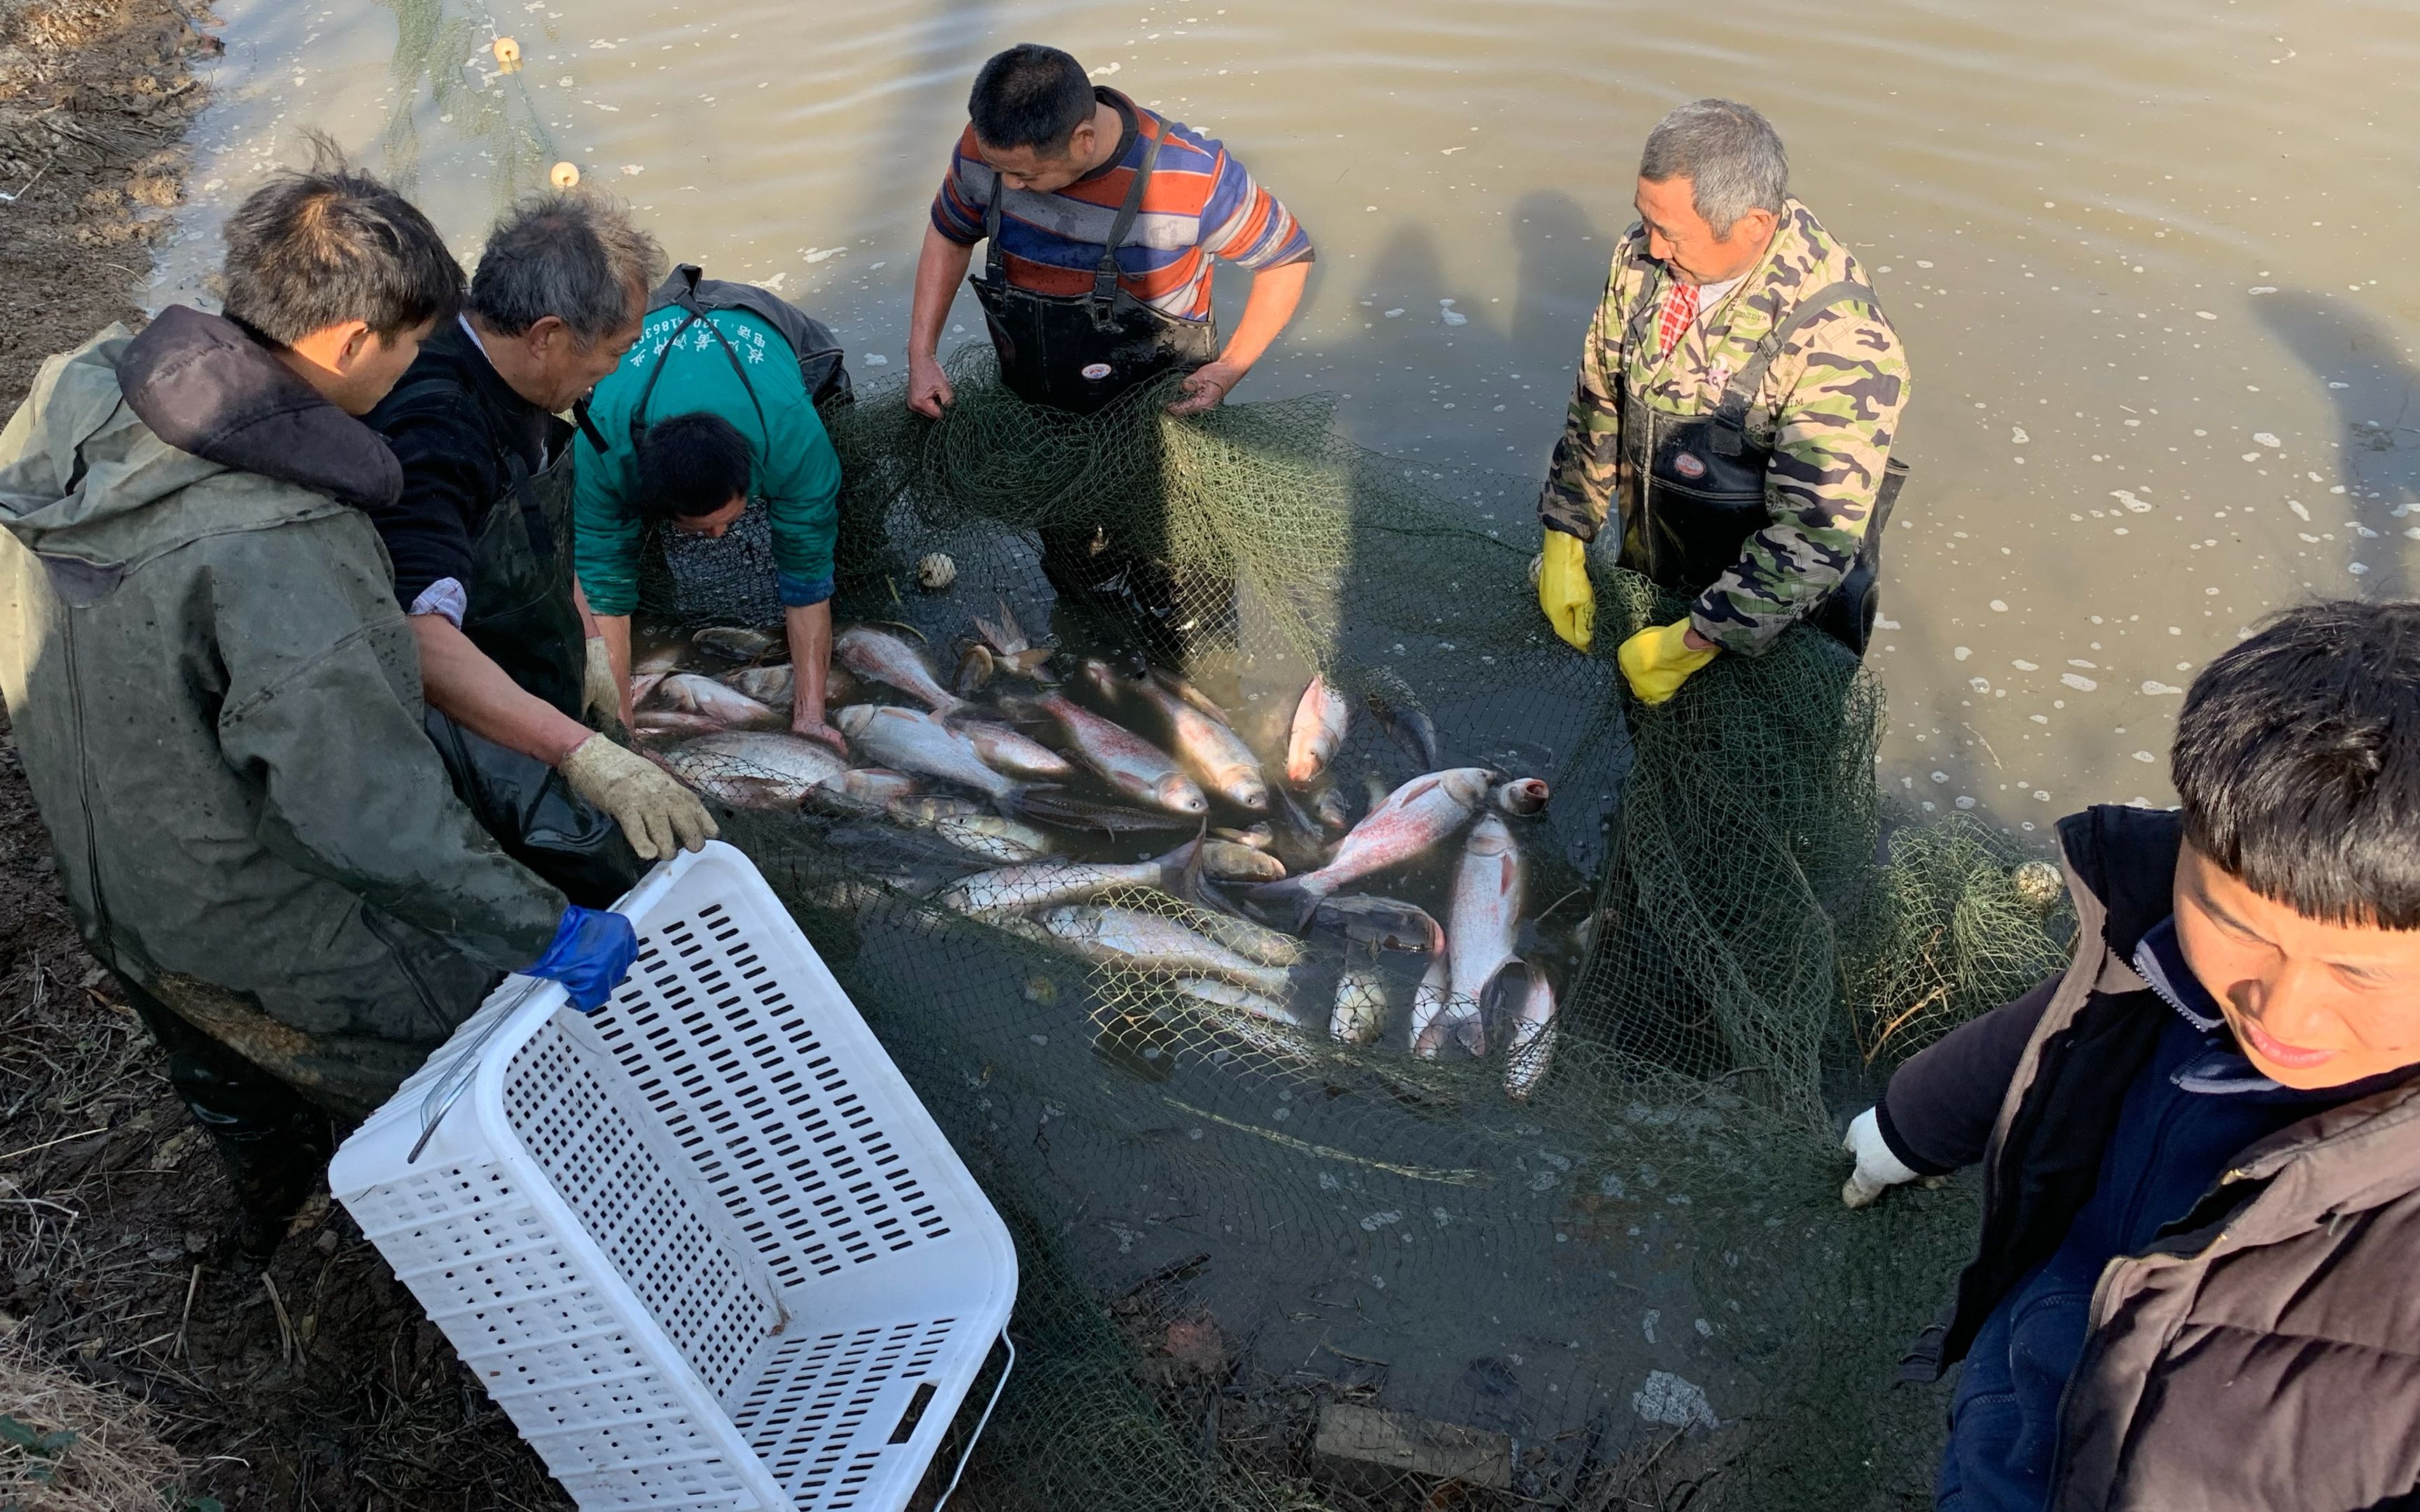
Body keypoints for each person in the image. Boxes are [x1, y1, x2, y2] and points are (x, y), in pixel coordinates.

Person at [0, 161, 639, 1256]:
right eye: (406, 344)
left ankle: (264, 1222)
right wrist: (549, 931)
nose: (413, 368)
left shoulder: (81, 389)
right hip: (236, 903)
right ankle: (477, 1249)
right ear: (350, 343)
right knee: (465, 1048)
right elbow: (370, 821)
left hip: (107, 864)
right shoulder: (288, 548)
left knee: (222, 1071)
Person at [1842, 599, 2420, 1512]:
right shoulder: (2156, 966)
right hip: (2015, 1413)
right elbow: (2045, 1040)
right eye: (2235, 925)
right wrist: (1903, 1131)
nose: (2277, 1008)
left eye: (2359, 973)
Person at [366, 191, 716, 879]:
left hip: (537, 662)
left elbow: (537, 530)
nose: (613, 372)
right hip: (467, 708)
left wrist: (586, 631)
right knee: (565, 872)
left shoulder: (518, 375)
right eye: (612, 353)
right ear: (548, 335)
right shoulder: (437, 429)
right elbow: (417, 636)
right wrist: (577, 753)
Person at [1534, 99, 1910, 704]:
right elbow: (1599, 400)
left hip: (1781, 624)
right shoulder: (1642, 261)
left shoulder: (1842, 340)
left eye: (1671, 234)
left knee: (1754, 786)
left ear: (1753, 226)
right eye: (1645, 220)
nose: (1651, 247)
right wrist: (1566, 535)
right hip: (1657, 572)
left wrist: (1692, 643)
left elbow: (1816, 534)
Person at [908, 42, 1314, 422]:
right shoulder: (987, 150)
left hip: (1162, 403)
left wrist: (1230, 367)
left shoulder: (1194, 178)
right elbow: (950, 234)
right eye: (999, 170)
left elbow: (1286, 258)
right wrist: (922, 355)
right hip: (1029, 395)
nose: (1008, 185)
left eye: (1023, 174)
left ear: (1084, 140)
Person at [574, 265, 850, 748]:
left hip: (772, 333)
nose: (722, 538)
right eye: (703, 529)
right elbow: (604, 591)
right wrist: (624, 733)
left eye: (730, 520)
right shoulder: (602, 447)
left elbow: (807, 579)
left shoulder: (790, 434)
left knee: (823, 531)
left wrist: (810, 716)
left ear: (754, 477)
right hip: (655, 331)